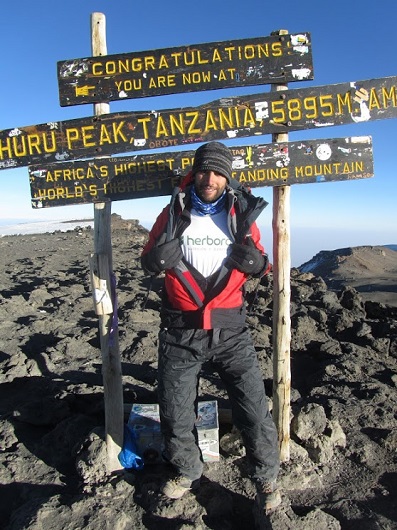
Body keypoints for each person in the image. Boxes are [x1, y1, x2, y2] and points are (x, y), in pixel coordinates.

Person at [140, 141, 281, 513]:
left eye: (218, 172)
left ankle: (266, 477)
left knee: (252, 404)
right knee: (174, 408)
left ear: (227, 177)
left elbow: (260, 259)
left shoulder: (240, 213)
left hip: (230, 330)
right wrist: (154, 260)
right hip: (179, 329)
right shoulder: (172, 211)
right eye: (204, 170)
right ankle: (186, 469)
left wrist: (257, 264)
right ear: (194, 173)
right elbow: (147, 258)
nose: (210, 178)